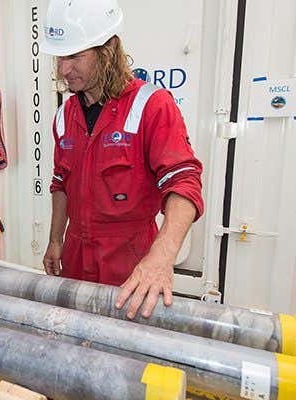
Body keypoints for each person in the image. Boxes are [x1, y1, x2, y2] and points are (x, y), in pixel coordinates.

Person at [41, 0, 204, 319]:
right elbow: (60, 183)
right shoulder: (63, 116)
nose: (63, 69)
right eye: (60, 56)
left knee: (126, 357)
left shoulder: (152, 106)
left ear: (108, 50)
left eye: (74, 55)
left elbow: (184, 182)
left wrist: (162, 256)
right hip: (76, 256)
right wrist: (54, 241)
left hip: (131, 262)